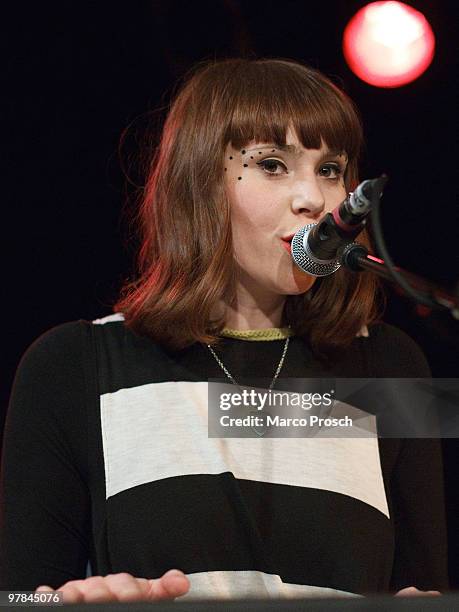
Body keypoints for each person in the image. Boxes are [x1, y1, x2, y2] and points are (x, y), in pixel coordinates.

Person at [0, 58, 449, 604]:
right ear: (199, 184)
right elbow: (21, 597)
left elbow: (426, 587)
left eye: (330, 169)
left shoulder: (393, 366)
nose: (313, 198)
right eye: (273, 165)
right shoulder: (73, 366)